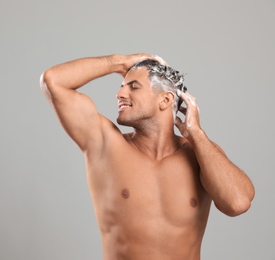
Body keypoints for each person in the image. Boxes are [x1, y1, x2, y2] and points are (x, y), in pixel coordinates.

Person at [40, 53, 255, 260]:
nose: (120, 94)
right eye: (122, 87)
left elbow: (237, 203)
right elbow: (53, 81)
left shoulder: (201, 152)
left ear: (165, 100)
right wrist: (119, 62)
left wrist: (196, 133)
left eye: (133, 87)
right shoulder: (105, 144)